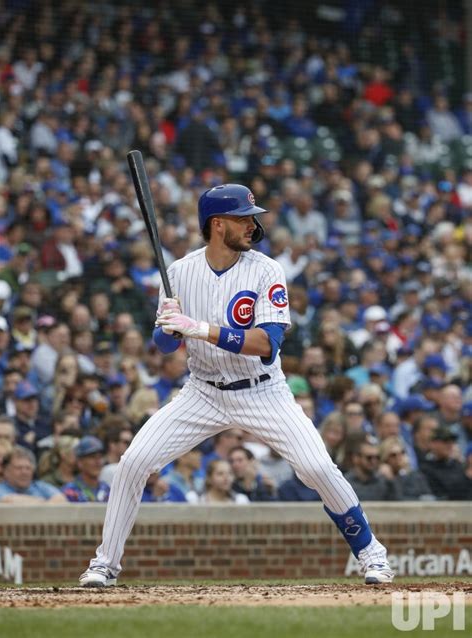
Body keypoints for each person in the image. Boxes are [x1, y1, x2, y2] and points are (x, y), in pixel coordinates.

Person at [79, 183, 394, 587]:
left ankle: (372, 554)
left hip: (262, 389)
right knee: (133, 463)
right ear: (217, 224)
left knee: (316, 466)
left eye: (252, 216)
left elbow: (267, 345)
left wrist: (201, 328)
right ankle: (105, 563)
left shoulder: (266, 270)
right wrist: (169, 324)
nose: (252, 225)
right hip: (203, 391)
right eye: (243, 218)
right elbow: (162, 346)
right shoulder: (178, 271)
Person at [0, 445, 67, 503]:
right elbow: (8, 500)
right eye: (18, 468)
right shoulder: (0, 488)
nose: (24, 472)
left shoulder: (39, 486)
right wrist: (44, 503)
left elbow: (61, 499)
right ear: (6, 471)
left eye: (28, 468)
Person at [62, 435, 111, 503]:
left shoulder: (107, 489)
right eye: (92, 457)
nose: (98, 462)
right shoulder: (71, 491)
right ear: (80, 462)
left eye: (100, 457)